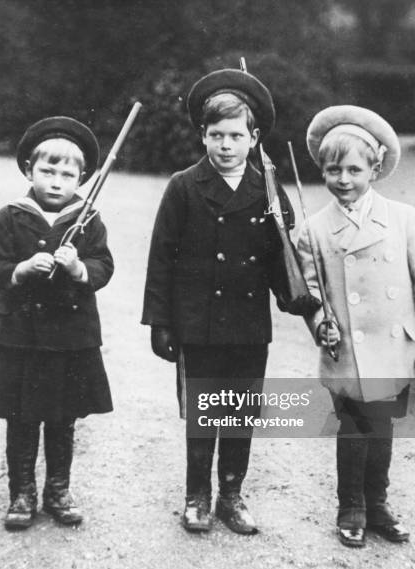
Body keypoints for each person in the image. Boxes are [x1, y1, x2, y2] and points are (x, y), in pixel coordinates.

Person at [142, 68, 293, 534]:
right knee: (205, 411)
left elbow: (283, 259)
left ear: (254, 138)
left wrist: (297, 298)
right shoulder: (184, 186)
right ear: (202, 136)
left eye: (235, 135)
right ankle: (197, 497)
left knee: (241, 410)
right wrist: (160, 323)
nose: (225, 145)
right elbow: (161, 257)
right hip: (198, 322)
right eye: (215, 135)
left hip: (248, 325)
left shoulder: (268, 191)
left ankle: (231, 494)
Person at [297, 105, 415, 547]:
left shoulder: (404, 217)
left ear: (374, 169)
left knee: (384, 427)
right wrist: (321, 324)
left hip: (395, 347)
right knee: (353, 428)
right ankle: (351, 507)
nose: (343, 179)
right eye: (332, 168)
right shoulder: (313, 231)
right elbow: (311, 293)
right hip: (349, 353)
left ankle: (377, 504)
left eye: (354, 169)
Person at [0, 116, 114, 530]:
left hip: (68, 338)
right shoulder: (10, 216)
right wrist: (20, 269)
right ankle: (22, 493)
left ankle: (58, 489)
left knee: (62, 416)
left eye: (67, 174)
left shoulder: (88, 218)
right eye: (47, 171)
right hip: (21, 336)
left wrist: (78, 268)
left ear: (82, 177)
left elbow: (103, 265)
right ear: (28, 170)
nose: (56, 181)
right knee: (21, 417)